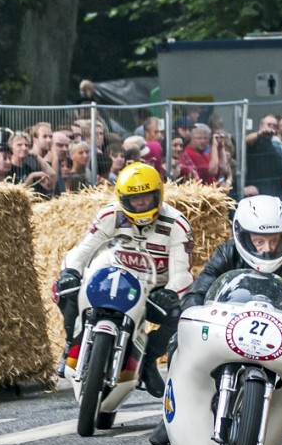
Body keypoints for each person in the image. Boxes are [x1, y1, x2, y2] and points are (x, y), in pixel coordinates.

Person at [150, 196, 282, 445]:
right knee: (176, 342)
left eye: (274, 241)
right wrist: (192, 310)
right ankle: (171, 413)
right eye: (258, 240)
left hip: (270, 334)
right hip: (227, 328)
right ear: (242, 234)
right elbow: (200, 288)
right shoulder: (227, 252)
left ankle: (274, 432)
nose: (266, 248)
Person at [54, 162, 194, 406]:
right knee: (66, 289)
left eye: (146, 197)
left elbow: (182, 272)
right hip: (115, 280)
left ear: (159, 194)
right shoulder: (110, 215)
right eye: (134, 199)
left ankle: (148, 360)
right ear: (122, 198)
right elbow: (83, 249)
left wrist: (171, 292)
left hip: (154, 289)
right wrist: (70, 272)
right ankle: (70, 342)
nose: (140, 204)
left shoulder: (176, 224)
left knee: (181, 314)